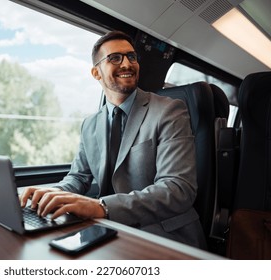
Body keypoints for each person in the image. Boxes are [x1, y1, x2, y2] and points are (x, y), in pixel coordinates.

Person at [20, 30, 206, 249]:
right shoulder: (90, 124)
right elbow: (78, 178)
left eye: (132, 56)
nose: (127, 64)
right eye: (115, 58)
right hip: (110, 232)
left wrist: (102, 207)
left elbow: (177, 189)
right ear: (96, 73)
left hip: (163, 235)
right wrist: (52, 194)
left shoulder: (169, 110)